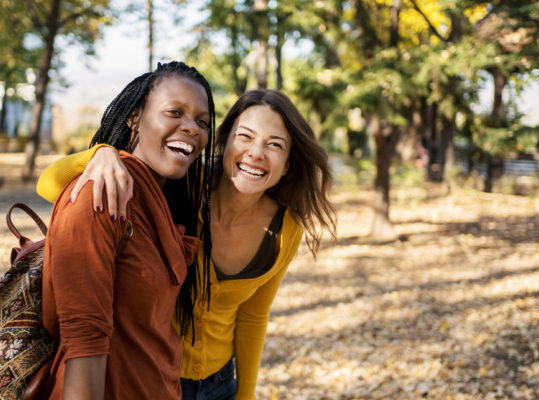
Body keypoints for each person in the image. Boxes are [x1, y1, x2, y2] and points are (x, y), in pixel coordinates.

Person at [38, 89, 337, 400]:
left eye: (275, 145)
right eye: (245, 137)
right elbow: (47, 185)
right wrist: (102, 153)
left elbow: (252, 315)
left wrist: (245, 396)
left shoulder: (286, 228)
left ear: (288, 164)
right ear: (224, 142)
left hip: (222, 383)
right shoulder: (182, 187)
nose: (256, 153)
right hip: (154, 380)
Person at [41, 61, 216, 399]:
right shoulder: (100, 195)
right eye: (175, 112)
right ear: (135, 117)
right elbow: (83, 343)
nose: (192, 128)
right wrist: (102, 152)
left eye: (202, 121)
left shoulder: (161, 202)